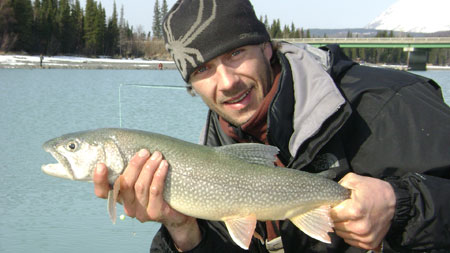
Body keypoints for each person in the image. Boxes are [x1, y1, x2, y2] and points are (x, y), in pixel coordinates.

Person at [94, 0, 450, 252]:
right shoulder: (206, 155)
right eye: (203, 69)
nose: (227, 81)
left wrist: (399, 204)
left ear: (266, 47)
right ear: (192, 85)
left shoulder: (389, 102)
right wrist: (183, 231)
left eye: (235, 54)